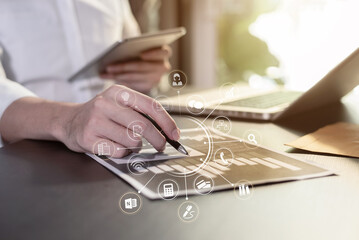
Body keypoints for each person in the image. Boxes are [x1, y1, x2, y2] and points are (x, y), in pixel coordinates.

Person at [0, 0, 180, 158]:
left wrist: (143, 76)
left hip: (117, 149)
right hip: (30, 160)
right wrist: (70, 122)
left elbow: (130, 58)